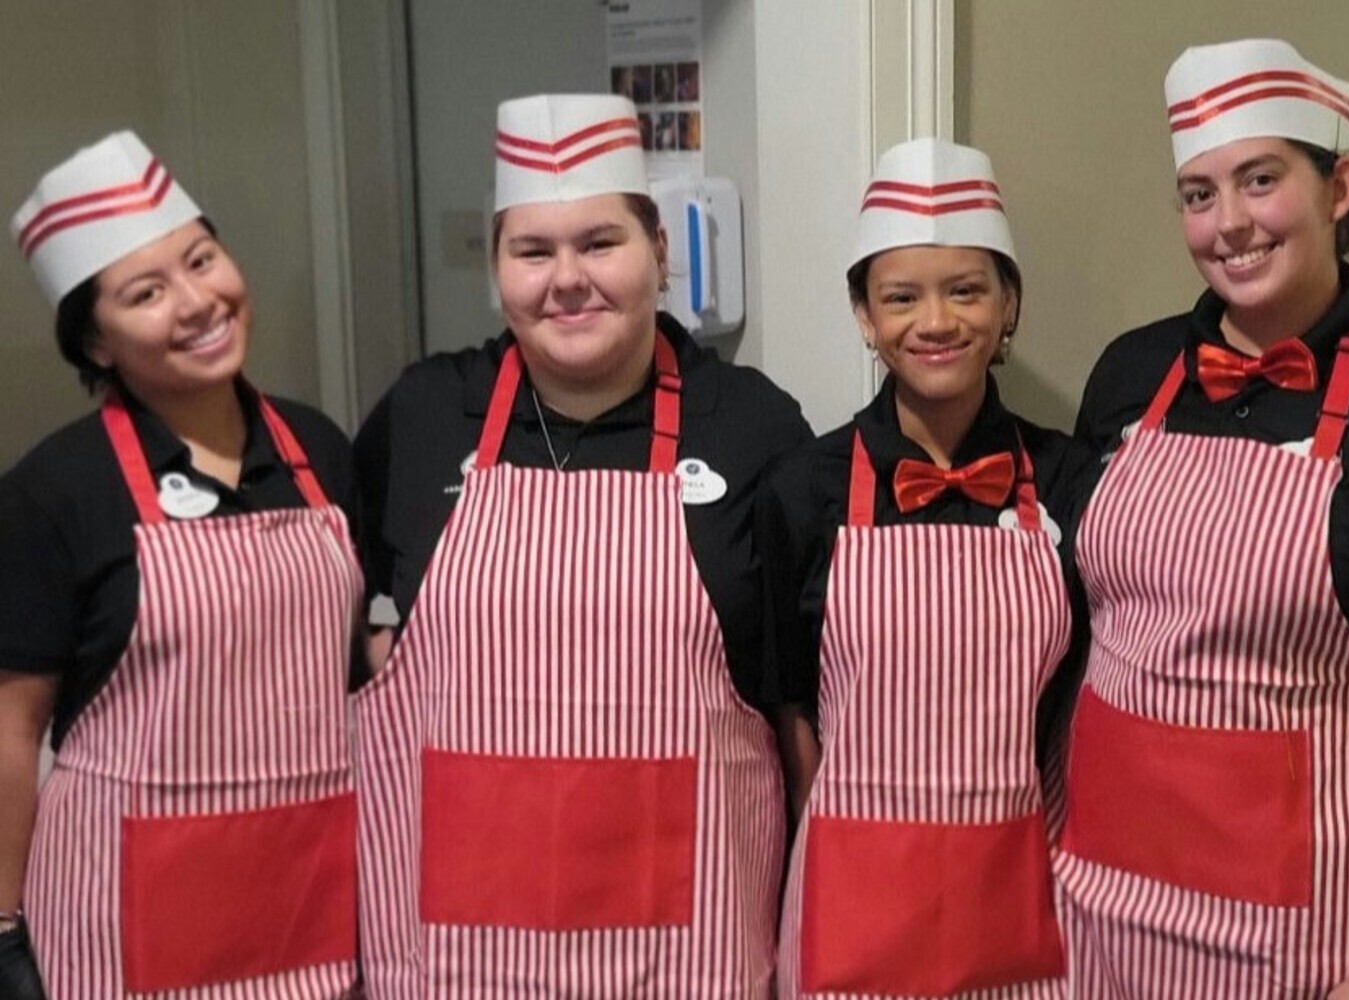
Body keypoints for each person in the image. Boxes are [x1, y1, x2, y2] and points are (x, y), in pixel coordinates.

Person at [1057, 39, 1349, 998]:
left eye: (1261, 181)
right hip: (1103, 907)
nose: (1230, 224)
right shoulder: (1130, 376)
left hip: (1309, 935)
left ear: (1340, 186)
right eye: (1199, 193)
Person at [353, 93, 811, 996]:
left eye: (600, 242)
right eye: (533, 251)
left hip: (690, 942)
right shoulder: (423, 413)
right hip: (455, 950)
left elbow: (799, 696)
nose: (568, 278)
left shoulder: (754, 424)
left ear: (659, 252)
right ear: (497, 270)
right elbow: (318, 612)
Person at [0, 132, 362, 998]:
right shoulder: (55, 492)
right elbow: (10, 734)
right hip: (128, 918)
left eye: (202, 260)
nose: (198, 302)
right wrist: (3, 928)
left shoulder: (319, 448)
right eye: (147, 293)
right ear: (95, 344)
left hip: (312, 898)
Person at [758, 137, 1094, 999]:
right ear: (865, 315)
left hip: (1023, 891)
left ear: (1009, 303)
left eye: (967, 290)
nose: (935, 322)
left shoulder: (1068, 480)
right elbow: (789, 706)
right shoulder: (804, 489)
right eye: (901, 296)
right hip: (849, 907)